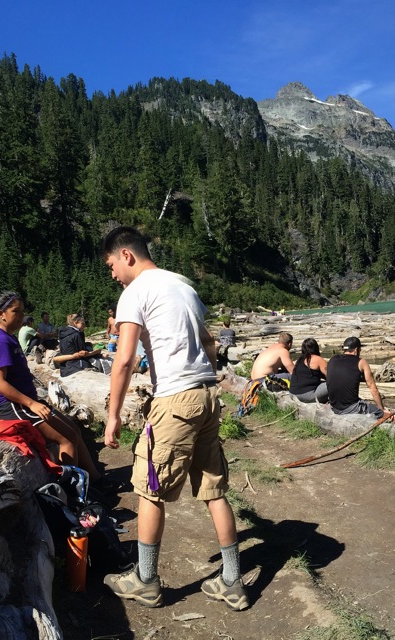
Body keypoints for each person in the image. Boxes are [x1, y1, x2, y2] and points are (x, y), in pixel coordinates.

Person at [96, 226, 249, 611]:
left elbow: (125, 359)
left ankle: (146, 580)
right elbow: (210, 344)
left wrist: (112, 415)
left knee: (150, 488)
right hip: (206, 395)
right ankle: (232, 580)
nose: (112, 274)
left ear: (126, 255)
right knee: (214, 490)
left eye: (111, 264)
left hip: (175, 400)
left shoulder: (135, 292)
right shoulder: (184, 287)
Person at [0, 292, 97, 475]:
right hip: (12, 406)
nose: (21, 316)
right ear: (1, 314)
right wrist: (31, 403)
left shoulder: (8, 337)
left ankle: (95, 480)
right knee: (66, 438)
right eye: (15, 311)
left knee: (74, 430)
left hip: (25, 401)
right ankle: (72, 496)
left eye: (22, 311)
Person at [324, 336, 385, 416]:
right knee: (380, 413)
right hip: (351, 408)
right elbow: (373, 388)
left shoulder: (333, 359)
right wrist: (381, 409)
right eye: (360, 350)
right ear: (356, 350)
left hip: (334, 406)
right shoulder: (361, 362)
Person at [51, 313, 109, 377]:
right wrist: (99, 354)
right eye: (82, 323)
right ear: (76, 323)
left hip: (65, 367)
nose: (84, 326)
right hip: (76, 365)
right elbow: (83, 354)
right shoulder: (77, 334)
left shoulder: (63, 333)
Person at [288, 338, 330, 403]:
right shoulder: (318, 359)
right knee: (336, 383)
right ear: (316, 348)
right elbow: (331, 377)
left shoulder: (300, 360)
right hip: (306, 395)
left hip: (292, 394)